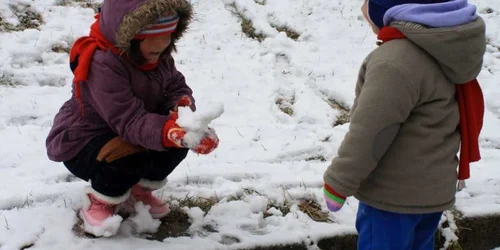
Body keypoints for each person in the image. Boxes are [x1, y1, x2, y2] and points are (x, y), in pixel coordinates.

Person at [45, 0, 219, 236]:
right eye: (154, 45)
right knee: (129, 157)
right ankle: (102, 200)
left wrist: (181, 108)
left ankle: (137, 190)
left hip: (131, 132)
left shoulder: (157, 56)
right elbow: (127, 119)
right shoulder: (103, 64)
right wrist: (169, 132)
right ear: (130, 39)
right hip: (86, 141)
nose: (163, 49)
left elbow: (175, 85)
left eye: (168, 40)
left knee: (177, 146)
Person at [322, 0, 485, 249]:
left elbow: (371, 132)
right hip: (433, 193)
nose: (363, 9)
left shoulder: (395, 61)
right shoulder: (443, 48)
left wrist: (339, 181)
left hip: (392, 197)